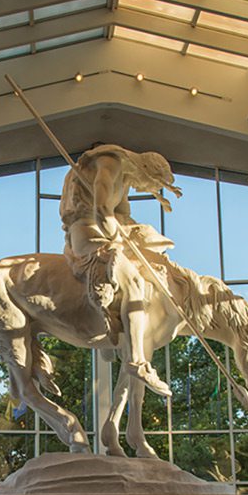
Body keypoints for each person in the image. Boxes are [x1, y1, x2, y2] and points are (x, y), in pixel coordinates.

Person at [58, 144, 182, 397]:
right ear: (146, 172)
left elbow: (122, 212)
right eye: (149, 185)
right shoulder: (109, 164)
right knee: (133, 280)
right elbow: (103, 209)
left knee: (150, 272)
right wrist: (120, 240)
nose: (143, 189)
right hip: (87, 232)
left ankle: (113, 332)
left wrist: (136, 233)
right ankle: (137, 360)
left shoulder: (123, 176)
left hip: (108, 232)